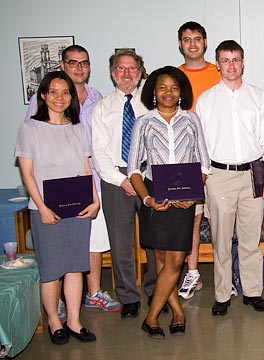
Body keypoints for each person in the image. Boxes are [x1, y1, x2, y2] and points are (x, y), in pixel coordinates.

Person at [24, 45, 121, 316]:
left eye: (84, 63)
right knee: (55, 257)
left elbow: (90, 153)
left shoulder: (97, 98)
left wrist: (94, 193)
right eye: (73, 63)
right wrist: (41, 204)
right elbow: (30, 159)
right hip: (51, 193)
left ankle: (93, 293)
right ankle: (57, 307)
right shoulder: (39, 107)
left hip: (90, 186)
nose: (79, 68)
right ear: (62, 65)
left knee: (91, 245)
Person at [16, 71, 99, 345]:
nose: (60, 98)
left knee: (75, 266)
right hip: (45, 209)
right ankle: (54, 321)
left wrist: (95, 199)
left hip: (77, 208)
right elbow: (27, 174)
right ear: (43, 95)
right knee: (52, 269)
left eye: (65, 92)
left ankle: (74, 321)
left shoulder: (77, 127)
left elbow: (86, 167)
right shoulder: (30, 128)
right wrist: (41, 207)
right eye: (53, 92)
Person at [196, 40, 264, 316]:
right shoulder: (206, 100)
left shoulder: (258, 97)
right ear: (217, 64)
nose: (231, 65)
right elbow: (201, 144)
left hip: (252, 175)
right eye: (225, 60)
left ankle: (252, 291)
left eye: (236, 59)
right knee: (220, 239)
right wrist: (205, 178)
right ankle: (222, 294)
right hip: (219, 175)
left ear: (243, 62)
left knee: (250, 238)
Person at [128, 66, 210, 339]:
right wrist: (148, 199)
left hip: (185, 196)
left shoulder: (192, 120)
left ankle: (150, 316)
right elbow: (134, 170)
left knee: (176, 260)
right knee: (162, 261)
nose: (168, 92)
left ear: (181, 92)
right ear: (153, 91)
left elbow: (204, 163)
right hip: (155, 194)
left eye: (174, 87)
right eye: (162, 87)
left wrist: (193, 194)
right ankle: (177, 311)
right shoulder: (144, 122)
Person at [92, 50, 158, 319]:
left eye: (133, 69)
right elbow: (99, 152)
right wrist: (123, 180)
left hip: (149, 176)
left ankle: (156, 291)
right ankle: (128, 296)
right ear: (112, 73)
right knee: (120, 243)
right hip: (115, 179)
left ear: (141, 72)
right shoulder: (102, 108)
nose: (127, 74)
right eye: (121, 69)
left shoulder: (152, 106)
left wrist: (141, 178)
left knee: (155, 240)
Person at [176, 21, 221, 300]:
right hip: (187, 161)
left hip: (218, 160)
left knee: (220, 220)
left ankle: (227, 270)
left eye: (197, 38)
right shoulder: (173, 77)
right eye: (186, 39)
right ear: (180, 44)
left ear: (205, 42)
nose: (192, 43)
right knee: (191, 220)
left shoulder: (220, 72)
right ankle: (192, 273)